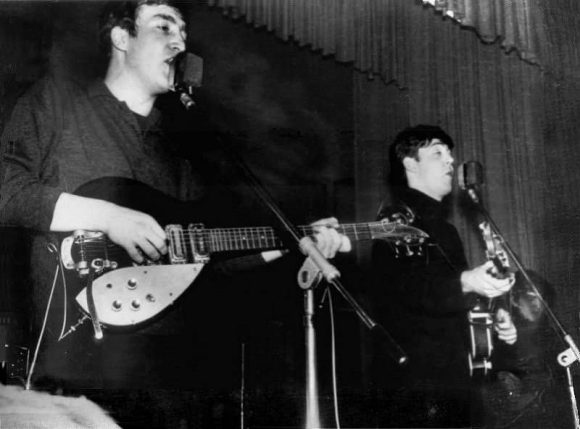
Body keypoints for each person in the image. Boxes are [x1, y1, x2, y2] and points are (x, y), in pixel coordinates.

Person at [0, 1, 350, 427]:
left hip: (163, 372)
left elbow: (202, 258)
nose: (180, 40)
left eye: (183, 31)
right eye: (164, 26)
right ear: (121, 37)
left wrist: (294, 241)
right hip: (73, 364)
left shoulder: (179, 150)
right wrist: (107, 216)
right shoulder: (56, 101)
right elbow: (6, 188)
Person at [369, 124, 517, 428]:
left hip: (452, 377)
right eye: (438, 153)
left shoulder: (446, 229)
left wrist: (495, 314)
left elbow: (453, 299)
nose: (451, 161)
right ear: (410, 163)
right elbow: (407, 289)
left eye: (450, 154)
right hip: (418, 383)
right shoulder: (394, 220)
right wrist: (467, 281)